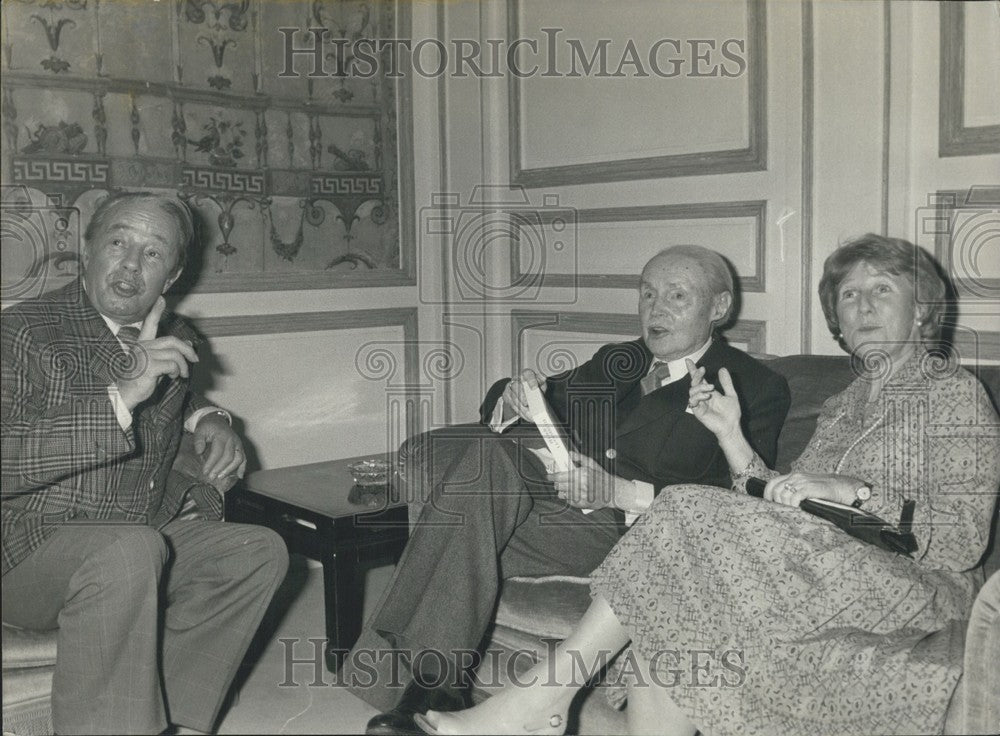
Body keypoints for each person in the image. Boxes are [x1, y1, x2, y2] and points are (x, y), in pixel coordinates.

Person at [418, 234, 1000, 736]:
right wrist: (731, 438)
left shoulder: (952, 394)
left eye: (882, 291)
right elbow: (775, 499)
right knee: (673, 595)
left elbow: (962, 540)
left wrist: (860, 493)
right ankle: (502, 696)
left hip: (909, 580)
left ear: (923, 309)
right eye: (849, 294)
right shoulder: (844, 404)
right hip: (820, 560)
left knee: (680, 516)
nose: (863, 307)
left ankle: (542, 699)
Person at [350, 245, 791, 734]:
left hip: (641, 538)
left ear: (719, 308)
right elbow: (530, 396)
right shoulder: (619, 361)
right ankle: (434, 691)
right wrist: (515, 399)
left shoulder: (753, 385)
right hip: (563, 515)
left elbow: (741, 501)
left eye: (677, 295)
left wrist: (617, 490)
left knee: (458, 512)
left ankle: (422, 690)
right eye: (647, 293)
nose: (655, 308)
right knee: (477, 478)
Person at [1, 192, 289, 735]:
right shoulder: (20, 333)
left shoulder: (175, 338)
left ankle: (173, 720)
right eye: (118, 242)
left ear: (172, 275)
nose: (132, 264)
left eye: (153, 253)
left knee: (258, 550)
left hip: (132, 532)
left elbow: (181, 401)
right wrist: (121, 398)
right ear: (86, 252)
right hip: (23, 549)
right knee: (131, 548)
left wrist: (210, 418)